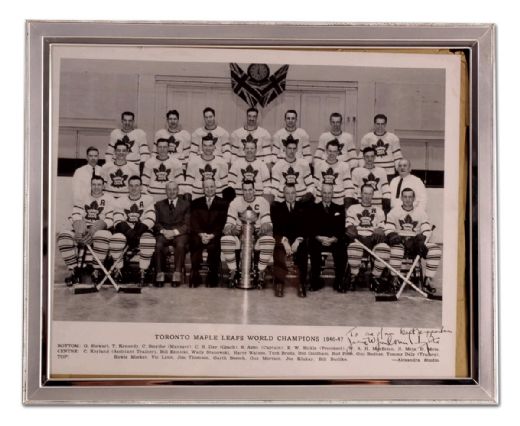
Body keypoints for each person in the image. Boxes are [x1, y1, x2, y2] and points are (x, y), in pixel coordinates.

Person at [57, 175, 114, 285]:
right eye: (94, 184)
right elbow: (76, 214)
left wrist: (94, 230)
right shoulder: (82, 197)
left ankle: (96, 271)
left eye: (99, 184)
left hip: (99, 229)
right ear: (90, 185)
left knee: (103, 236)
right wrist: (79, 230)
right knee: (64, 236)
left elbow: (110, 219)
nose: (96, 187)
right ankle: (73, 270)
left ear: (103, 186)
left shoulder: (109, 199)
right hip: (82, 228)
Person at [385, 188, 442, 294]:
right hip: (400, 242)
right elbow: (389, 229)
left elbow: (426, 230)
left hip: (415, 243)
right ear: (401, 198)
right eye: (405, 197)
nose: (407, 199)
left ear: (414, 198)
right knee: (396, 249)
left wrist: (421, 239)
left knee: (435, 250)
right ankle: (394, 279)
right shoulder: (394, 212)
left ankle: (427, 281)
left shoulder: (421, 213)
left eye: (410, 197)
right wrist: (398, 238)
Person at [221, 180, 275, 288]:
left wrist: (263, 228)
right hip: (240, 234)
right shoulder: (235, 202)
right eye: (245, 190)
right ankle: (233, 270)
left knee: (269, 239)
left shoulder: (263, 202)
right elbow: (227, 226)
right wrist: (232, 230)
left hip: (257, 233)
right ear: (242, 191)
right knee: (226, 239)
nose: (248, 192)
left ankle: (260, 271)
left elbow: (269, 224)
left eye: (250, 189)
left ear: (254, 190)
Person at [110, 175, 156, 287]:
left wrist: (136, 233)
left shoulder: (148, 199)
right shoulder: (120, 201)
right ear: (127, 187)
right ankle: (118, 270)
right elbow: (117, 219)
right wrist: (129, 233)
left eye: (136, 185)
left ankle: (143, 271)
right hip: (125, 232)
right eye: (131, 186)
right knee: (116, 239)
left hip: (141, 231)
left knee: (148, 239)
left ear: (141, 187)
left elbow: (150, 218)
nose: (134, 188)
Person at [345, 184, 390, 292]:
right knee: (354, 247)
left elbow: (382, 225)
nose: (367, 196)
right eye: (365, 193)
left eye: (370, 194)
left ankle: (375, 277)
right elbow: (348, 223)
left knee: (384, 248)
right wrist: (351, 228)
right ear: (361, 194)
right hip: (358, 238)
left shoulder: (378, 210)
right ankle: (353, 277)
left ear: (373, 195)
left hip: (373, 239)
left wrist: (380, 230)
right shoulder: (353, 208)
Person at [271, 185, 308, 297]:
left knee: (303, 249)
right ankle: (279, 283)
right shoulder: (277, 207)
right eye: (288, 193)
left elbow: (306, 227)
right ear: (284, 194)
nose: (291, 196)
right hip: (283, 238)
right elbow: (276, 228)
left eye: (293, 193)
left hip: (297, 239)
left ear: (296, 194)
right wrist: (284, 241)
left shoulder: (302, 207)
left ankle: (301, 284)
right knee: (278, 250)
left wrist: (298, 241)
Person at [189, 179, 228, 287]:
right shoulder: (196, 202)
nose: (209, 189)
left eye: (211, 187)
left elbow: (223, 222)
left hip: (215, 235)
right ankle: (195, 274)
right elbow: (193, 221)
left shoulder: (223, 203)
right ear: (203, 189)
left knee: (214, 246)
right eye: (206, 187)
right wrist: (201, 234)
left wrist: (212, 235)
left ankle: (212, 276)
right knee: (194, 242)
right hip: (199, 235)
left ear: (215, 188)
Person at [308, 184, 346, 292]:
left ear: (332, 193)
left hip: (333, 240)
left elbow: (341, 228)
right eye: (325, 193)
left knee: (341, 248)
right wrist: (319, 238)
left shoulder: (339, 208)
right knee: (312, 246)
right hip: (318, 239)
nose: (327, 195)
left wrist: (333, 239)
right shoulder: (313, 208)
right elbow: (310, 227)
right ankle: (315, 281)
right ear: (321, 193)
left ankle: (339, 281)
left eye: (329, 193)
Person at [153, 180, 190, 287]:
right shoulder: (159, 205)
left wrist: (174, 232)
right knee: (158, 245)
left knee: (180, 245)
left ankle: (177, 274)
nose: (172, 192)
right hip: (164, 233)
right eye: (169, 189)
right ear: (165, 191)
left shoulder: (186, 205)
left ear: (178, 190)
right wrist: (164, 231)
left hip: (180, 234)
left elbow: (187, 224)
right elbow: (156, 223)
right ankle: (159, 274)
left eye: (174, 189)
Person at [184, 134, 229, 200]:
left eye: (210, 145)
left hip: (217, 198)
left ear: (214, 146)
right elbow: (188, 184)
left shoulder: (222, 162)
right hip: (197, 197)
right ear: (201, 147)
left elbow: (225, 184)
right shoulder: (193, 162)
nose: (207, 148)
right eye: (205, 145)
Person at [270, 137, 314, 203]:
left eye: (294, 148)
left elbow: (310, 185)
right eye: (289, 148)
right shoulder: (278, 166)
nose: (292, 151)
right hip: (283, 201)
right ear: (285, 149)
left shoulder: (304, 164)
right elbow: (274, 188)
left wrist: (308, 195)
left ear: (297, 150)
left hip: (301, 200)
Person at [313, 139, 356, 207]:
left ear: (338, 152)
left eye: (334, 151)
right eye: (330, 151)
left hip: (338, 202)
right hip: (321, 201)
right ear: (326, 151)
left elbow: (348, 186)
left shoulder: (344, 166)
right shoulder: (319, 164)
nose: (332, 153)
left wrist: (348, 201)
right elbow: (315, 184)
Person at [360, 114, 402, 179]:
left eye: (382, 124)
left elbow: (398, 156)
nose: (380, 126)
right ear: (374, 124)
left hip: (389, 172)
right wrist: (363, 170)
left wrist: (399, 171)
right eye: (378, 124)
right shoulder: (367, 137)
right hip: (372, 171)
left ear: (385, 124)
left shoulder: (393, 137)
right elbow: (361, 156)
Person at [142, 138, 184, 203]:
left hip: (169, 196)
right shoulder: (149, 162)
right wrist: (146, 197)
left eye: (164, 147)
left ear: (168, 148)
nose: (162, 149)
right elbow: (144, 182)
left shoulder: (176, 162)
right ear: (156, 148)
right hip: (152, 195)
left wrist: (178, 198)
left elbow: (180, 183)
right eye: (160, 147)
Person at [351, 147, 391, 214]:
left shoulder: (381, 171)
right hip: (362, 203)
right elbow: (354, 189)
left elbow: (385, 188)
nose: (369, 159)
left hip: (377, 203)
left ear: (375, 157)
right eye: (367, 156)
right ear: (363, 157)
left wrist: (386, 199)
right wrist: (355, 201)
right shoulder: (356, 171)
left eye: (372, 156)